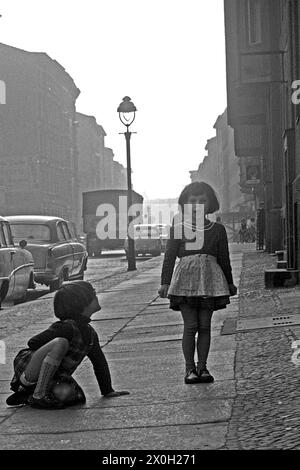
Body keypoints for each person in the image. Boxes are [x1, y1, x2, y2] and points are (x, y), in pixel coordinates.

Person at [158, 182, 237, 385]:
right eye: (192, 201)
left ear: (210, 203)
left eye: (202, 200)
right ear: (185, 204)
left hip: (209, 282)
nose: (197, 204)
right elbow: (169, 258)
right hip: (185, 282)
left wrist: (229, 283)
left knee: (205, 326)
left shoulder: (218, 230)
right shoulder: (177, 229)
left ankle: (203, 367)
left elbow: (224, 258)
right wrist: (165, 282)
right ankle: (189, 369)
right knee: (190, 325)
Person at [6, 280, 129, 409]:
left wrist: (107, 390)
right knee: (61, 343)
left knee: (76, 396)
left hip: (51, 375)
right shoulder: (65, 327)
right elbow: (33, 342)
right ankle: (38, 394)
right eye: (93, 293)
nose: (97, 296)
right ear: (81, 301)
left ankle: (27, 395)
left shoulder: (90, 334)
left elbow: (99, 362)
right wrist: (58, 353)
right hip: (29, 370)